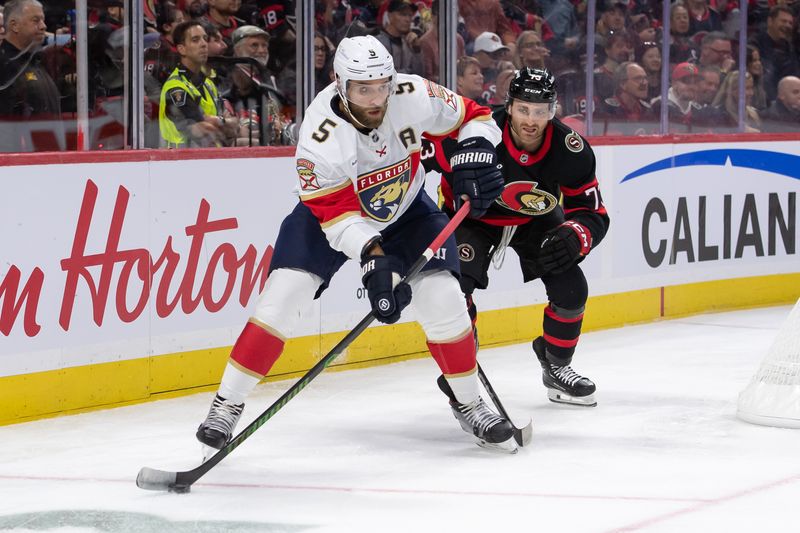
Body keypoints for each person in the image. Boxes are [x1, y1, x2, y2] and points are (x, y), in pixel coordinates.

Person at [195, 35, 517, 454]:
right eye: (363, 88)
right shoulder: (320, 136)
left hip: (407, 210)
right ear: (339, 82)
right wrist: (375, 259)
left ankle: (470, 404)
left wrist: (476, 147)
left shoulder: (411, 92)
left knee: (444, 298)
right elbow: (339, 217)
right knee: (282, 299)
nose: (375, 97)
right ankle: (227, 404)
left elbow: (475, 115)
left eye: (382, 85)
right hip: (331, 217)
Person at [427, 67, 609, 407]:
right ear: (508, 106)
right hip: (475, 218)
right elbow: (424, 156)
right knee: (455, 287)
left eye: (540, 112)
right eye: (523, 109)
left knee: (572, 287)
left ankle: (556, 365)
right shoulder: (478, 130)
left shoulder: (570, 149)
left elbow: (593, 212)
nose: (531, 119)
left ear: (553, 111)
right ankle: (462, 366)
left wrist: (575, 234)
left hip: (535, 219)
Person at [159, 20, 236, 148]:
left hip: (211, 156)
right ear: (181, 49)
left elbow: (234, 123)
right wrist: (224, 123)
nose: (204, 44)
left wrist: (219, 121)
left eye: (205, 39)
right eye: (195, 40)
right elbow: (200, 128)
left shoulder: (208, 84)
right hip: (179, 160)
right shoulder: (175, 87)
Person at [0, 0, 62, 152]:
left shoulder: (36, 61)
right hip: (20, 167)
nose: (43, 26)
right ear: (14, 25)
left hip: (47, 163)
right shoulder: (4, 65)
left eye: (43, 20)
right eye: (36, 20)